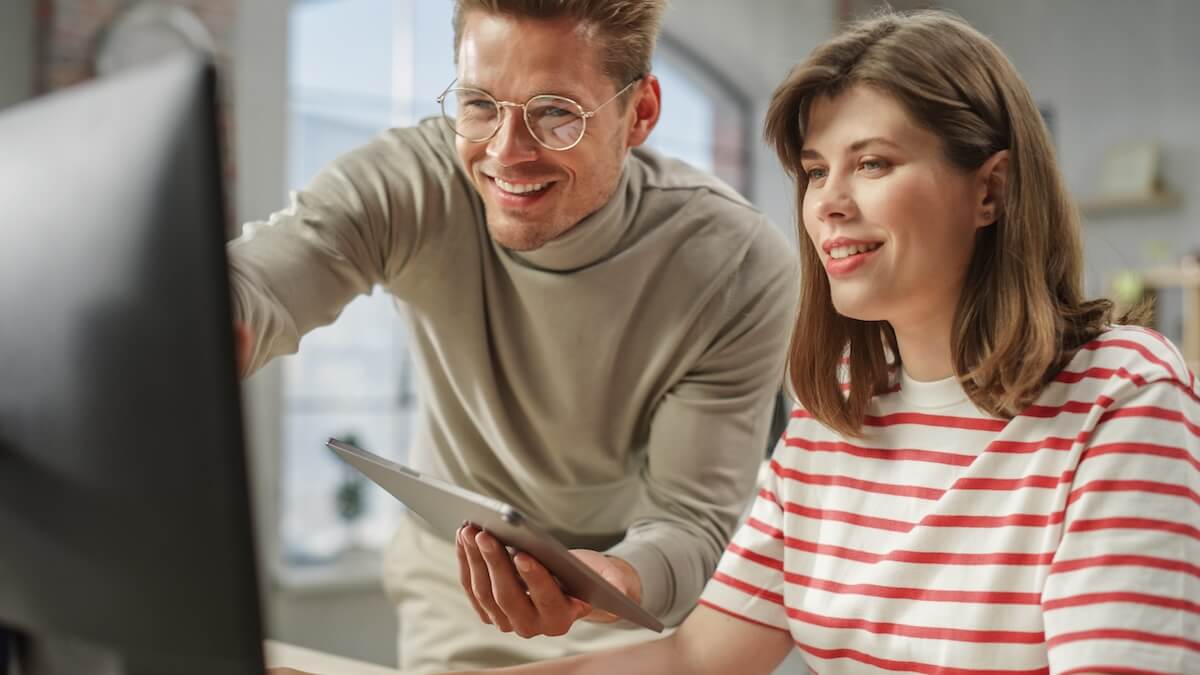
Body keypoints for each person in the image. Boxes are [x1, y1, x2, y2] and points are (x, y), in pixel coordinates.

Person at [446, 9, 1200, 675]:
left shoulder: (1121, 396)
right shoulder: (839, 405)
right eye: (814, 170)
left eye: (872, 163)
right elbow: (697, 658)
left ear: (991, 191)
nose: (828, 203)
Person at [229, 0, 797, 670]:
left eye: (555, 111)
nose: (504, 152)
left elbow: (690, 520)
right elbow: (263, 281)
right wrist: (202, 328)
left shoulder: (731, 265)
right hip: (450, 593)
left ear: (639, 112)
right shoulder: (411, 183)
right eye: (478, 104)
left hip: (624, 618)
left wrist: (614, 581)